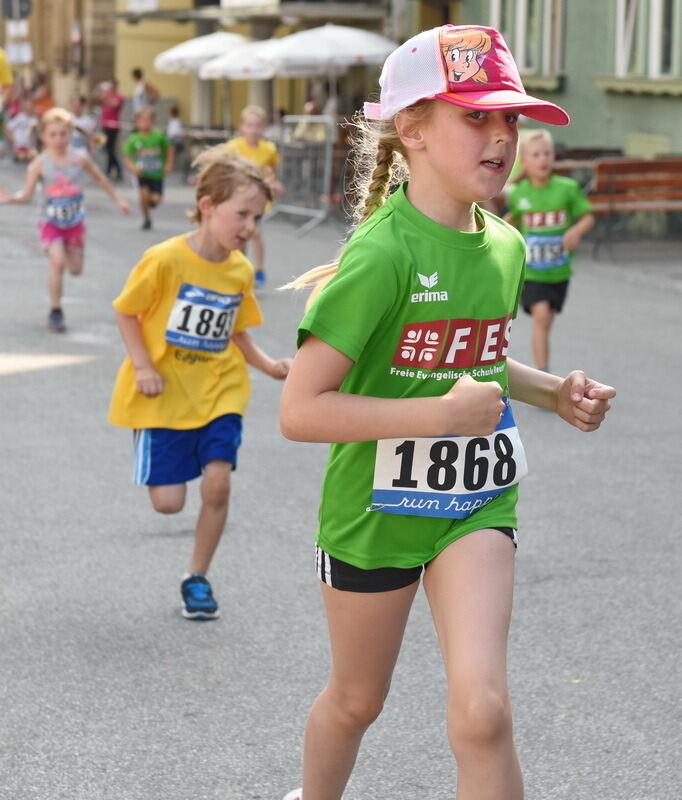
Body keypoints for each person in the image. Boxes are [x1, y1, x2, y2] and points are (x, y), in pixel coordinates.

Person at [278, 24, 616, 800]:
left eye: (511, 119)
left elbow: (478, 361)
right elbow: (300, 410)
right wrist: (439, 415)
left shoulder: (504, 245)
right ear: (414, 129)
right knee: (358, 700)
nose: (501, 135)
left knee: (484, 714)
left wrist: (552, 391)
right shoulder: (381, 255)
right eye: (475, 116)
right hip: (373, 515)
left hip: (475, 501)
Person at [108, 148, 292, 620]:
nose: (249, 226)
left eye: (257, 217)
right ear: (207, 205)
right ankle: (159, 450)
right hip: (163, 391)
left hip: (219, 390)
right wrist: (144, 366)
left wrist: (269, 366)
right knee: (169, 504)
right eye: (241, 214)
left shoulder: (239, 270)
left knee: (217, 484)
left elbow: (236, 330)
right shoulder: (165, 259)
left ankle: (197, 577)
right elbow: (126, 311)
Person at [0, 107, 130, 332]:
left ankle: (65, 259)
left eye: (63, 134)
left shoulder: (79, 159)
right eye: (53, 134)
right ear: (43, 137)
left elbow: (100, 179)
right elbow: (27, 195)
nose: (58, 139)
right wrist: (11, 199)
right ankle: (56, 310)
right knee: (57, 262)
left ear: (70, 134)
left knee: (75, 270)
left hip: (75, 223)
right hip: (50, 222)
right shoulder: (39, 164)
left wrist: (118, 200)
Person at [505, 128, 595, 371]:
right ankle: (543, 371)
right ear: (524, 161)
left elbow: (587, 217)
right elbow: (513, 219)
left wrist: (576, 231)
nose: (543, 159)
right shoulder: (519, 193)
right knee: (541, 316)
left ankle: (542, 364)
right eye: (535, 155)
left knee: (546, 320)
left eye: (547, 153)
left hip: (559, 270)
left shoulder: (567, 188)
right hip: (532, 272)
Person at [224, 105, 283, 288]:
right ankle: (241, 267)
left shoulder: (268, 149)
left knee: (255, 232)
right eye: (249, 125)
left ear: (264, 128)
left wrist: (274, 184)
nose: (253, 130)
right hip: (238, 199)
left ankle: (259, 269)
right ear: (241, 127)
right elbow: (225, 171)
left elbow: (271, 172)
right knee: (241, 235)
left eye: (257, 125)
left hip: (258, 201)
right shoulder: (233, 148)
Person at [123, 106, 174, 230]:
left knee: (156, 199)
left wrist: (168, 164)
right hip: (143, 174)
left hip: (157, 174)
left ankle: (151, 202)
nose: (145, 123)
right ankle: (146, 218)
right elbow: (127, 156)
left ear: (153, 122)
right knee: (143, 194)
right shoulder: (134, 139)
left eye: (148, 120)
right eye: (142, 120)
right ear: (137, 122)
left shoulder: (159, 136)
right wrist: (132, 167)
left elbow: (170, 148)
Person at [95, 79, 125, 181]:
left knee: (110, 148)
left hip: (113, 126)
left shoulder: (119, 97)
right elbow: (96, 95)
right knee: (108, 148)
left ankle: (113, 170)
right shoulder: (106, 95)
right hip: (105, 125)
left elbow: (114, 104)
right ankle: (113, 169)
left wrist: (106, 98)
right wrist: (100, 88)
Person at [5, 97, 39, 162]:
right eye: (27, 106)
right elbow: (8, 128)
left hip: (30, 146)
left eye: (30, 106)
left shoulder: (35, 118)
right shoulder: (19, 117)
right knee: (22, 156)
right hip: (20, 145)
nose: (29, 108)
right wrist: (13, 140)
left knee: (32, 155)